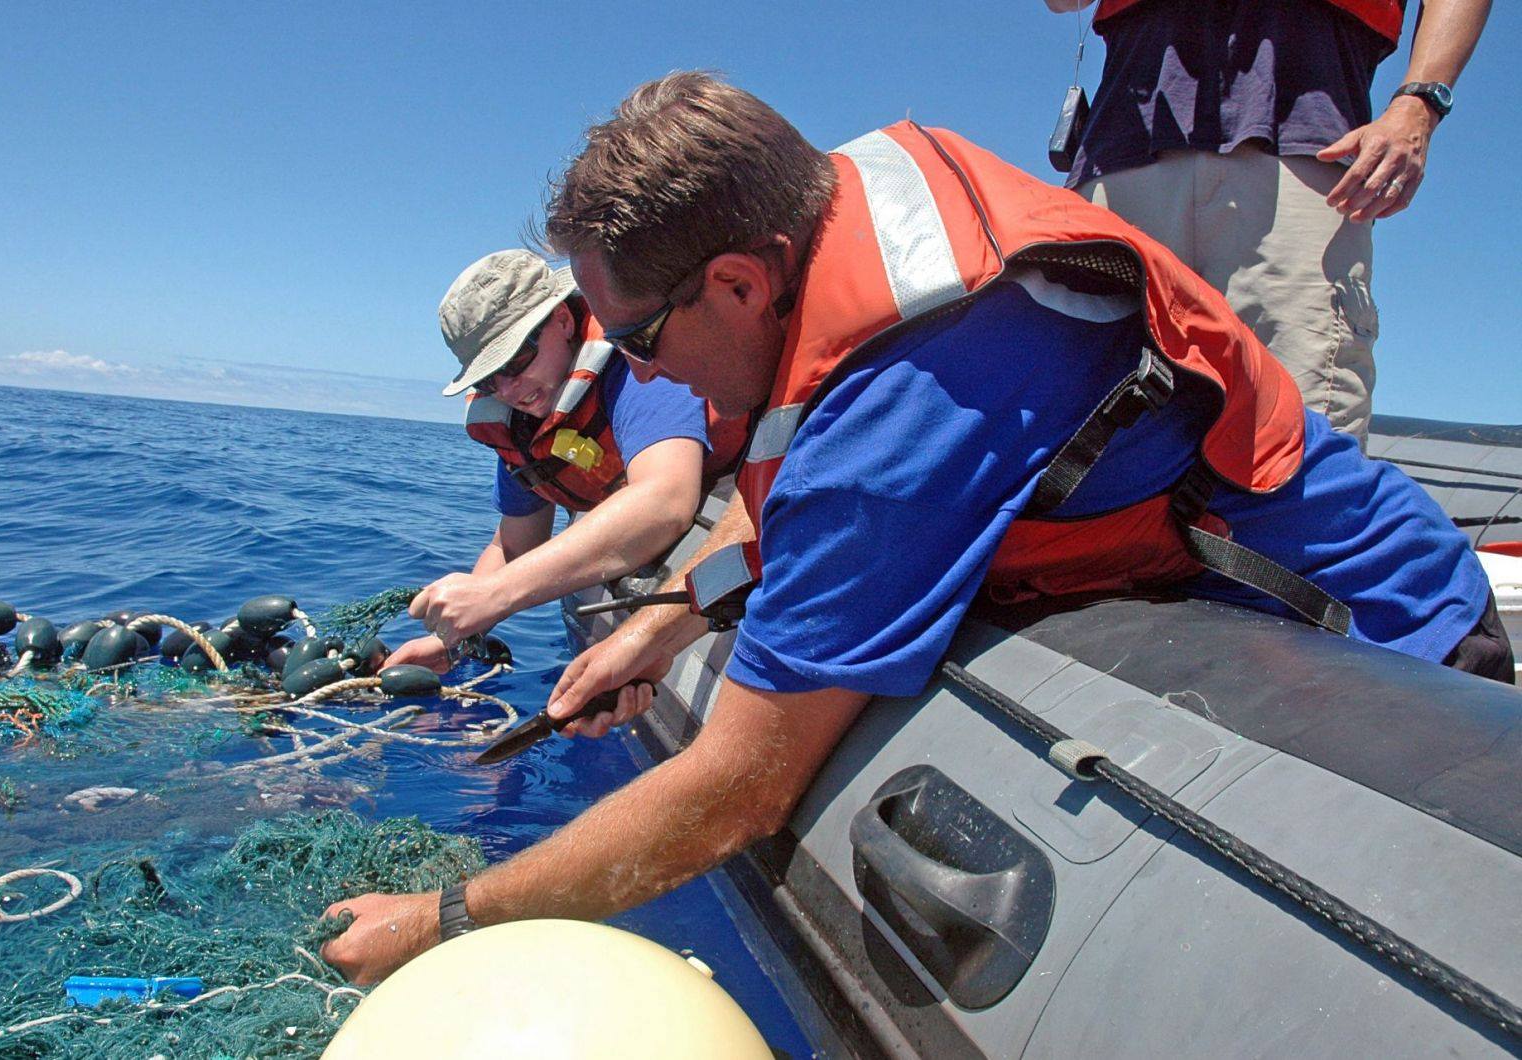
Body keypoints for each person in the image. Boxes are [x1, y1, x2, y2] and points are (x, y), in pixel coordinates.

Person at [321, 73, 1509, 985]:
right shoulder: (824, 224)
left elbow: (736, 790)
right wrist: (674, 620)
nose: (639, 369)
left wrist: (442, 922)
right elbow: (801, 520)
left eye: (634, 340)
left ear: (736, 281)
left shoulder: (904, 403)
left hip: (1379, 660)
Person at [1045, 0, 1491, 449]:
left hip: (1304, 149)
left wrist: (1420, 103)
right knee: (1082, 430)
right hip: (1121, 157)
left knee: (1299, 431)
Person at [385, 249, 740, 670]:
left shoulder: (634, 364)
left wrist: (497, 595)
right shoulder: (521, 424)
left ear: (564, 320)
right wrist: (454, 638)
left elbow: (665, 501)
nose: (508, 388)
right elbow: (514, 545)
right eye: (487, 378)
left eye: (516, 360)